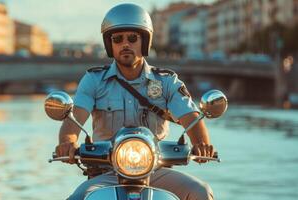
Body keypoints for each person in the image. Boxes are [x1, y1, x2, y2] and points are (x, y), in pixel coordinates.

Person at [56, 3, 215, 200]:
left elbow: (190, 117)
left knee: (200, 191)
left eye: (132, 38)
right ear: (109, 43)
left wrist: (201, 144)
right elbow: (75, 118)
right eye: (117, 38)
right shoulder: (94, 80)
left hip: (156, 170)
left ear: (145, 41)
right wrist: (67, 143)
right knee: (78, 197)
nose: (125, 44)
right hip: (107, 172)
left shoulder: (166, 81)